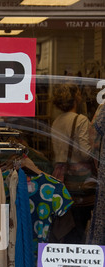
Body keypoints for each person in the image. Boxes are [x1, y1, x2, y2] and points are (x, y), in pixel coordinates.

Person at [51, 83, 95, 243]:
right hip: (79, 182)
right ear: (76, 97)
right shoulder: (80, 120)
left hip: (61, 179)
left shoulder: (57, 121)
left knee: (68, 227)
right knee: (79, 227)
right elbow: (85, 153)